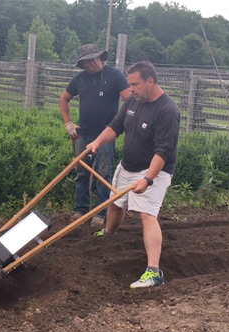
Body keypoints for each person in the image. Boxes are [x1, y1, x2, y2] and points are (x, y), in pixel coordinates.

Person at [86, 61, 180, 289]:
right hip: (127, 165)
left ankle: (154, 272)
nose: (131, 89)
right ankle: (108, 234)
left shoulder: (168, 110)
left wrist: (147, 180)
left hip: (154, 169)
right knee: (116, 204)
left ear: (150, 81)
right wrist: (97, 142)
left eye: (135, 84)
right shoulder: (133, 101)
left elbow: (163, 152)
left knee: (146, 214)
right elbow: (116, 126)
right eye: (130, 84)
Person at [59, 44, 131, 227]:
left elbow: (129, 101)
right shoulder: (80, 80)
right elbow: (64, 98)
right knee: (81, 173)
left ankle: (100, 213)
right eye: (84, 62)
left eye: (91, 60)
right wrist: (68, 123)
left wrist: (121, 124)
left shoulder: (115, 76)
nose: (88, 65)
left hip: (105, 134)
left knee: (103, 174)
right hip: (83, 134)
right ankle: (80, 210)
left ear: (100, 58)